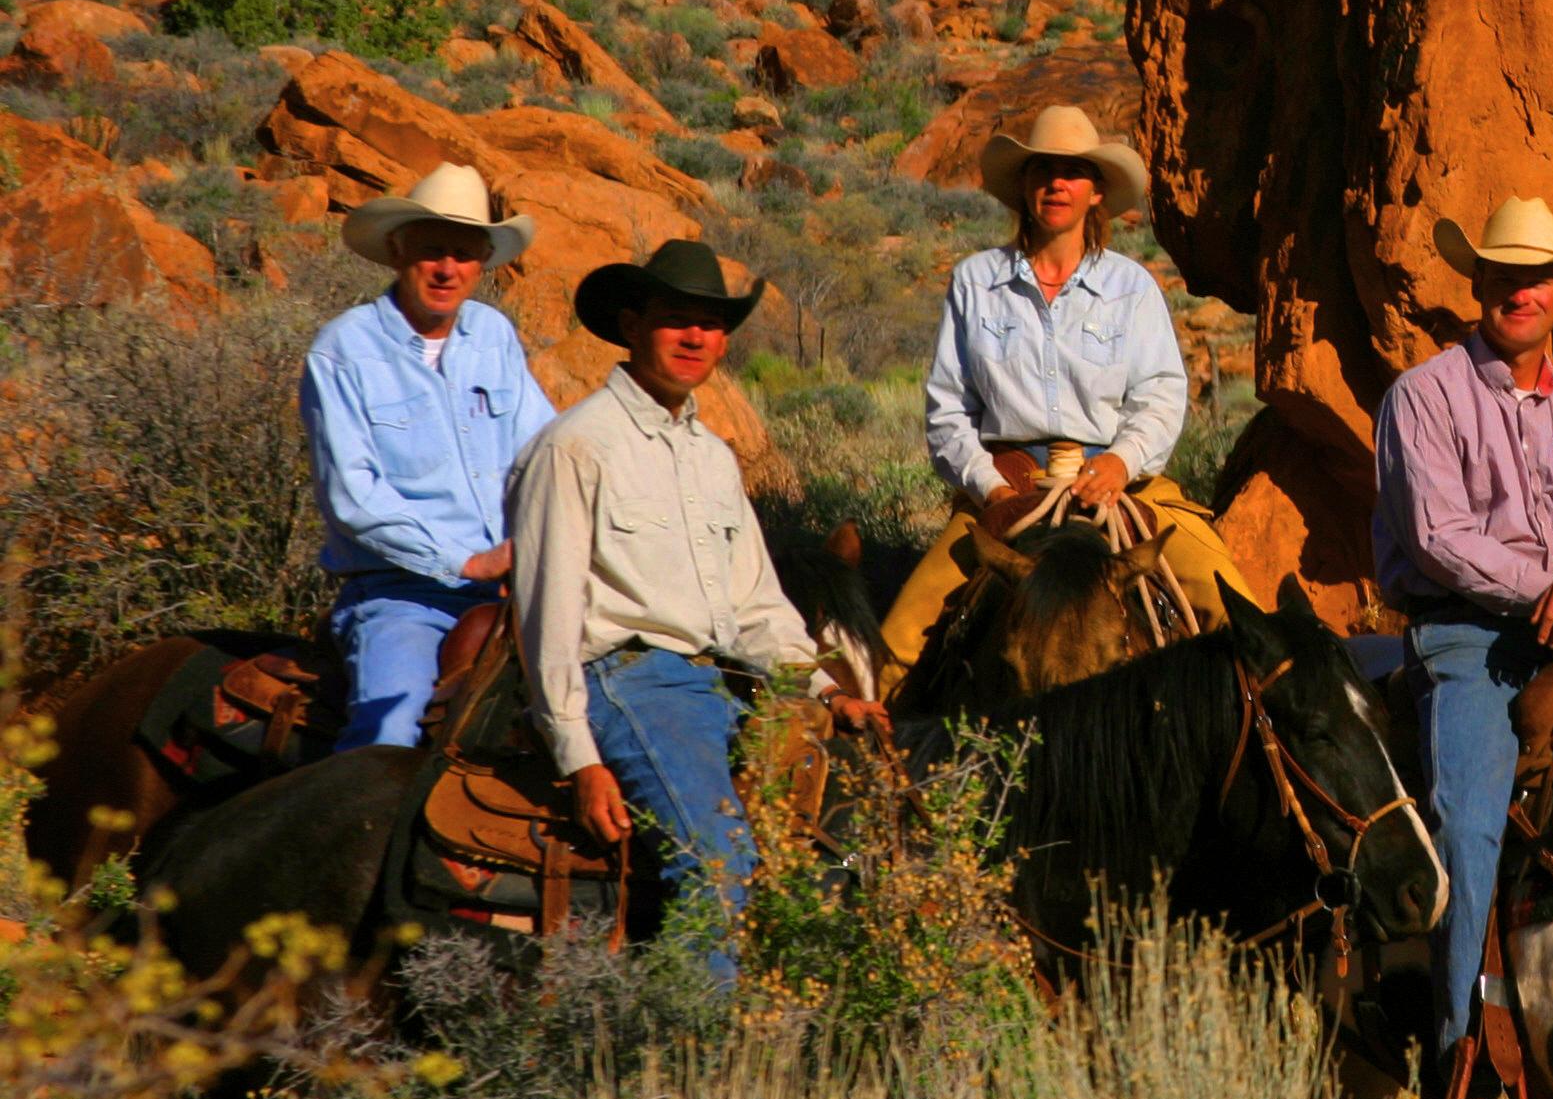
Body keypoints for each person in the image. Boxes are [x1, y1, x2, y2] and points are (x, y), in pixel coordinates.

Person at [508, 239, 883, 977]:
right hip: (631, 682)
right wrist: (579, 757)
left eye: (710, 326)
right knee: (719, 866)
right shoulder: (576, 448)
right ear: (632, 324)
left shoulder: (713, 457)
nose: (694, 338)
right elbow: (544, 619)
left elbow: (756, 607)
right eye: (676, 320)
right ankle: (700, 1067)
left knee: (837, 844)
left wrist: (827, 689)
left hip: (725, 685)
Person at [1372, 196, 1553, 1099]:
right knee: (1471, 817)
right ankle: (1468, 1055)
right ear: (1477, 286)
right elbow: (1441, 542)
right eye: (1502, 276)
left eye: (1537, 277)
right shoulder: (1425, 396)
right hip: (1464, 640)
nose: (1519, 291)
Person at [880, 103, 1253, 688]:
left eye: (1073, 172)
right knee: (899, 641)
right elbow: (948, 408)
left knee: (1233, 607)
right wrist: (990, 487)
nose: (1057, 183)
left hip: (1120, 483)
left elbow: (1160, 395)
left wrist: (1120, 461)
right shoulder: (976, 281)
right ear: (1024, 186)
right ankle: (885, 764)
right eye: (1043, 170)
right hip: (1006, 484)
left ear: (1097, 192)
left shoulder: (1131, 286)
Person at [303, 163, 556, 751]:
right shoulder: (344, 349)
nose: (448, 269)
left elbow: (541, 449)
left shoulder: (493, 335)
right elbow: (353, 497)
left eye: (464, 254)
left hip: (513, 591)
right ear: (398, 250)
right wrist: (468, 563)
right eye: (432, 251)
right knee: (390, 731)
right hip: (402, 595)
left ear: (483, 261)